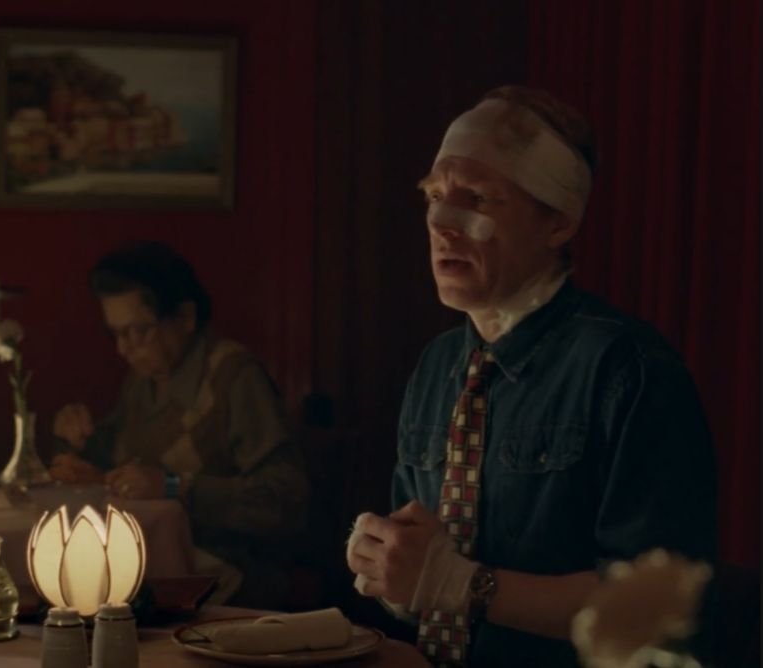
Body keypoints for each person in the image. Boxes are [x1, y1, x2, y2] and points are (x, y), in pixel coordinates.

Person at [345, 86, 717, 667]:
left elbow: (658, 606)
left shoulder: (630, 370)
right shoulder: (438, 365)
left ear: (559, 223)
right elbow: (426, 572)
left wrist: (464, 585)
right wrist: (394, 572)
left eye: (477, 199)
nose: (441, 223)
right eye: (434, 196)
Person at [49, 241, 309, 608]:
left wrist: (174, 487)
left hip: (230, 572)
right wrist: (76, 438)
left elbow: (287, 499)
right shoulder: (144, 379)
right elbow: (116, 459)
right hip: (151, 557)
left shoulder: (234, 377)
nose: (124, 348)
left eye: (139, 330)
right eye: (116, 333)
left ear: (185, 317)